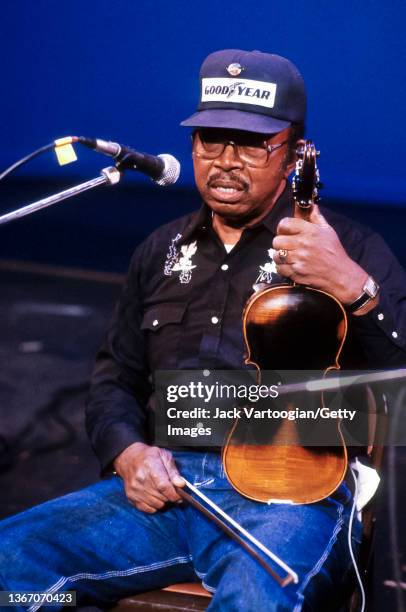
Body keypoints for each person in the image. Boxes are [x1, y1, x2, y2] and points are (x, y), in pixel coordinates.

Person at [1, 48, 406, 612]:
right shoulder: (159, 250)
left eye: (251, 144)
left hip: (289, 496)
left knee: (257, 596)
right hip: (163, 494)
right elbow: (115, 376)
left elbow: (401, 382)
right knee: (10, 564)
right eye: (210, 140)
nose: (225, 160)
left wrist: (357, 289)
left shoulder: (349, 248)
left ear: (293, 152)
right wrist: (127, 452)